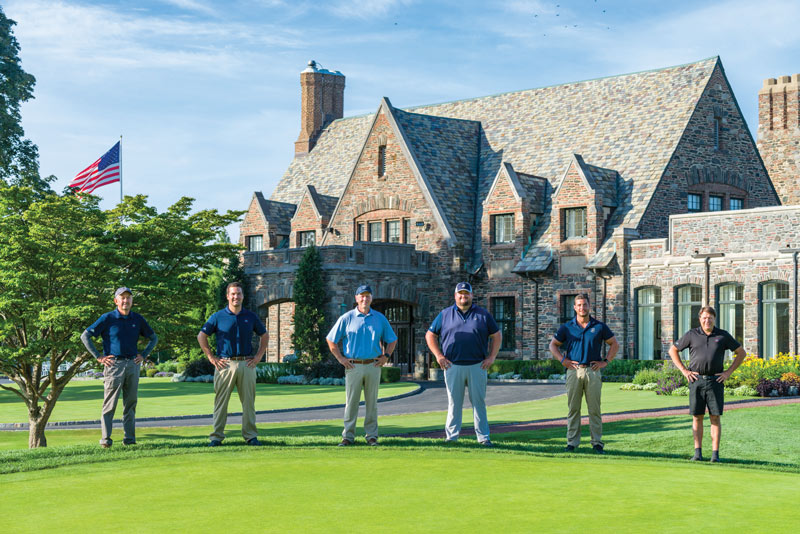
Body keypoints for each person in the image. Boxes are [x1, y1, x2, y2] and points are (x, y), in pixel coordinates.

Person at [425, 282, 501, 446]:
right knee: (454, 402)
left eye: (466, 294)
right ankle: (451, 437)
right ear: (455, 296)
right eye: (460, 294)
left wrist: (492, 357)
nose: (463, 296)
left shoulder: (483, 315)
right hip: (453, 366)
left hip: (477, 365)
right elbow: (430, 335)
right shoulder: (445, 314)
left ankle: (483, 438)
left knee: (478, 402)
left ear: (471, 296)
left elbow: (497, 335)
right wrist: (438, 355)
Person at [82, 287, 158, 448]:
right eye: (122, 298)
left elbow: (153, 338)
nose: (125, 300)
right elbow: (85, 336)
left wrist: (143, 355)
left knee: (130, 404)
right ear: (116, 301)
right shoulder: (107, 318)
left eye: (128, 298)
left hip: (133, 364)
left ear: (132, 301)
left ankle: (129, 439)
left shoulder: (137, 319)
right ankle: (105, 439)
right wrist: (99, 356)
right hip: (113, 365)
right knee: (110, 404)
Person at [668, 306, 746, 462]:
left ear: (714, 319)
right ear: (700, 319)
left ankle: (715, 455)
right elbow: (673, 350)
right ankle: (697, 453)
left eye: (710, 317)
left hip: (715, 381)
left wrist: (728, 373)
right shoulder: (692, 334)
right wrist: (684, 371)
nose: (707, 320)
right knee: (697, 417)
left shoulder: (722, 335)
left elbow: (741, 353)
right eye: (704, 317)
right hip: (696, 381)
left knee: (715, 418)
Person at [198, 282, 268, 447]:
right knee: (221, 403)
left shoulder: (250, 316)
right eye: (233, 294)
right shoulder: (217, 316)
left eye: (239, 294)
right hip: (225, 365)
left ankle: (250, 436)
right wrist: (211, 357)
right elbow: (202, 336)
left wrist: (258, 357)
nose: (236, 297)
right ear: (228, 296)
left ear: (243, 296)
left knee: (249, 403)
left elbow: (264, 335)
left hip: (247, 364)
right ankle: (216, 437)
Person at [326, 284, 397, 446]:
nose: (365, 299)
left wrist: (386, 356)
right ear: (356, 298)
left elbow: (392, 339)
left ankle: (371, 436)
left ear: (371, 298)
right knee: (351, 403)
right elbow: (331, 340)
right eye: (362, 296)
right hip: (353, 366)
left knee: (372, 403)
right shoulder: (347, 318)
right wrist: (341, 359)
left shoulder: (379, 318)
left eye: (368, 296)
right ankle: (348, 437)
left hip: (373, 365)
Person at [549, 293, 619, 454]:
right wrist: (562, 360)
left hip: (592, 371)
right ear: (574, 307)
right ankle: (572, 443)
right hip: (573, 371)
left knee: (594, 409)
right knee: (573, 409)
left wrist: (605, 362)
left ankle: (597, 443)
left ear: (589, 306)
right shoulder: (567, 327)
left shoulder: (599, 326)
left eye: (585, 304)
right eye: (579, 305)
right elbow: (553, 345)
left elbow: (614, 344)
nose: (582, 308)